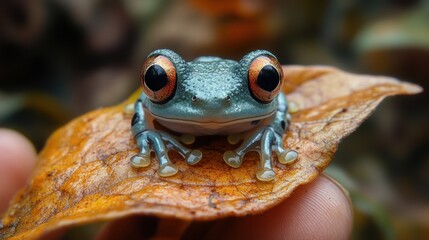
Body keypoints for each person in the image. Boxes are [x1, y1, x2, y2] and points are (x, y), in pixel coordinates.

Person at [0, 128, 353, 239]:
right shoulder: (149, 109)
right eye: (159, 79)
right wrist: (147, 137)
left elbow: (282, 103)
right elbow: (141, 107)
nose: (211, 103)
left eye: (264, 79)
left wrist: (270, 134)